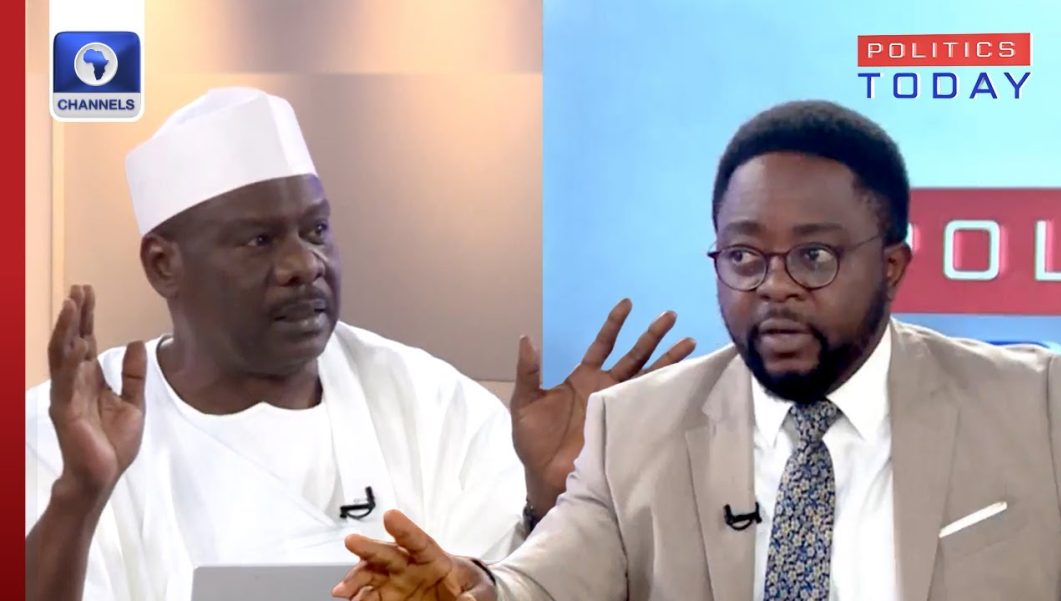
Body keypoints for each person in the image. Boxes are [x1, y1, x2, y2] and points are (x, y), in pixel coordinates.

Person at [332, 100, 1061, 601]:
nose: (775, 287)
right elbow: (545, 585)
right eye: (744, 257)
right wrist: (475, 590)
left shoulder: (1040, 406)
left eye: (813, 257)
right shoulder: (636, 426)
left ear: (893, 265)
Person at [24, 87, 697, 601]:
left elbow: (506, 582)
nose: (303, 264)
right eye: (260, 240)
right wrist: (79, 494)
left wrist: (551, 499)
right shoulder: (70, 428)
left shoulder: (428, 399)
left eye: (316, 231)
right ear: (163, 264)